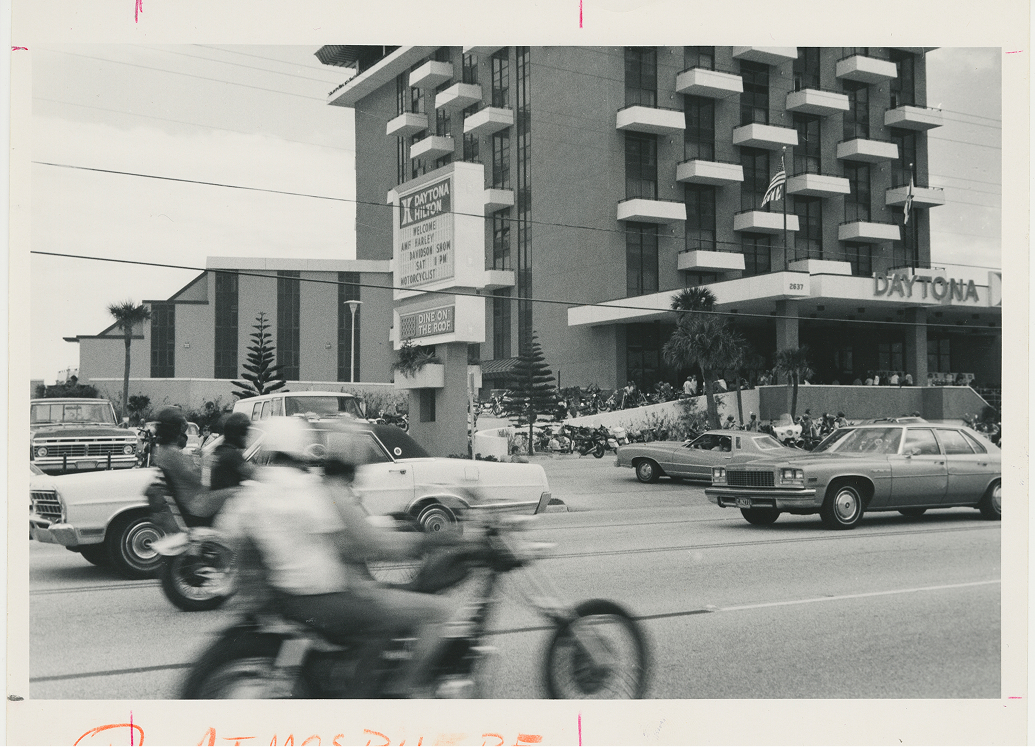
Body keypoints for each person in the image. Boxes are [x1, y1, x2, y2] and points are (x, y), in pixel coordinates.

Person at [221, 417, 458, 698]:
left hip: (285, 595)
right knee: (392, 621)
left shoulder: (256, 490)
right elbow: (350, 544)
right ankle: (376, 696)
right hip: (321, 595)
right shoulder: (306, 490)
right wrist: (427, 540)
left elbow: (227, 530)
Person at [207, 412, 256, 490]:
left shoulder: (219, 451)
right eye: (245, 433)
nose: (248, 437)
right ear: (238, 433)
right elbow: (254, 475)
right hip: (227, 499)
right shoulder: (233, 455)